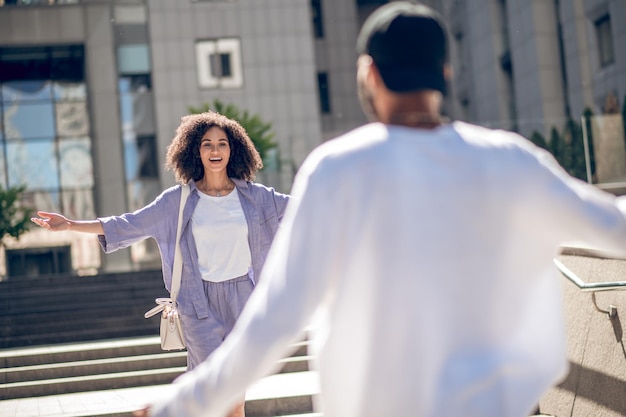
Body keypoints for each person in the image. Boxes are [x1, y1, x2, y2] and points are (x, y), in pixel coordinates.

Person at [137, 2, 626, 417]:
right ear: (446, 73)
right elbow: (615, 226)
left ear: (368, 73)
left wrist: (176, 405)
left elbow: (274, 322)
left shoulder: (338, 170)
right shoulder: (511, 160)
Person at [31, 111, 290, 417]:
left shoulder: (256, 198)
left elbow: (308, 206)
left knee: (235, 398)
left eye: (222, 144)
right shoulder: (176, 202)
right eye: (207, 144)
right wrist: (71, 224)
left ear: (233, 149)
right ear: (195, 150)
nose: (215, 151)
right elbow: (128, 224)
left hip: (245, 301)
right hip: (198, 305)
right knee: (213, 393)